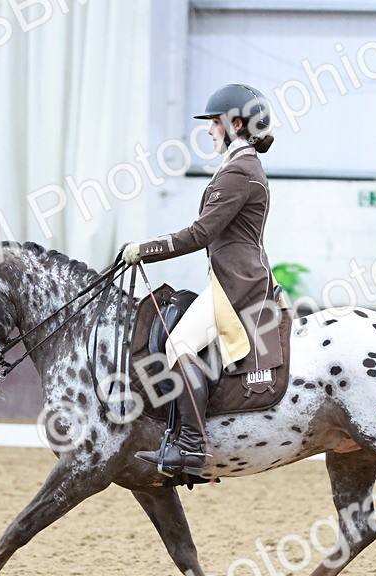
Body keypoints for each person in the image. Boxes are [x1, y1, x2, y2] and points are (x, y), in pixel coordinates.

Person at [120, 84, 278, 478]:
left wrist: (145, 249)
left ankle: (191, 445)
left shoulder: (240, 171)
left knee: (180, 343)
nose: (208, 131)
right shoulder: (240, 167)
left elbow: (201, 234)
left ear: (234, 124)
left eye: (213, 123)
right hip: (234, 276)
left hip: (239, 282)